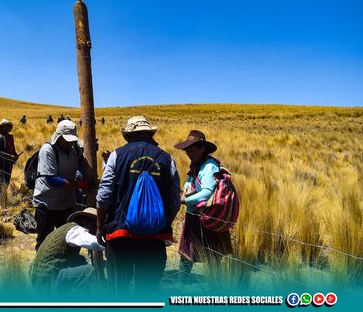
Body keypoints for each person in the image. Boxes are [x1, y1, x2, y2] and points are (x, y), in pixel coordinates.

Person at [96, 116, 181, 293]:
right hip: (154, 239)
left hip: (121, 236)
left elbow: (104, 196)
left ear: (128, 136)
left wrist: (99, 226)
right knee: (148, 291)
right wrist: (163, 223)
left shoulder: (117, 156)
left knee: (118, 291)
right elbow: (174, 201)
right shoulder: (167, 159)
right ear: (150, 134)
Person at [174, 130, 233, 281]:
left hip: (208, 217)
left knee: (213, 256)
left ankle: (216, 286)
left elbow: (207, 192)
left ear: (202, 149)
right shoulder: (196, 165)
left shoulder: (209, 167)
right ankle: (182, 284)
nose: (188, 154)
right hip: (194, 215)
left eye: (192, 150)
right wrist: (184, 193)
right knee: (186, 253)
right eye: (187, 151)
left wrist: (184, 200)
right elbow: (189, 184)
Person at [33, 120, 87, 251]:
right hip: (46, 204)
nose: (69, 142)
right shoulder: (48, 150)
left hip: (65, 204)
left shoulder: (74, 149)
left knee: (67, 242)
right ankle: (41, 269)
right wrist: (78, 184)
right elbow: (51, 179)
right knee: (45, 242)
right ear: (58, 136)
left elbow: (80, 162)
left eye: (71, 140)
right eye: (66, 139)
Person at [30, 207, 105, 294]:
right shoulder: (76, 231)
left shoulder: (65, 229)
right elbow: (95, 243)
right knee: (87, 271)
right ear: (88, 221)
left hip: (39, 277)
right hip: (46, 281)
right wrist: (112, 244)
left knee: (79, 260)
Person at [0, 119, 18, 191]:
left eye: (8, 126)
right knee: (2, 181)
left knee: (7, 181)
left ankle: (3, 196)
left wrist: (15, 154)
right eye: (5, 126)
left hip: (9, 162)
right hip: (2, 162)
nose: (7, 128)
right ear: (1, 127)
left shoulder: (10, 137)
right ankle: (0, 198)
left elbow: (12, 148)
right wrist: (10, 156)